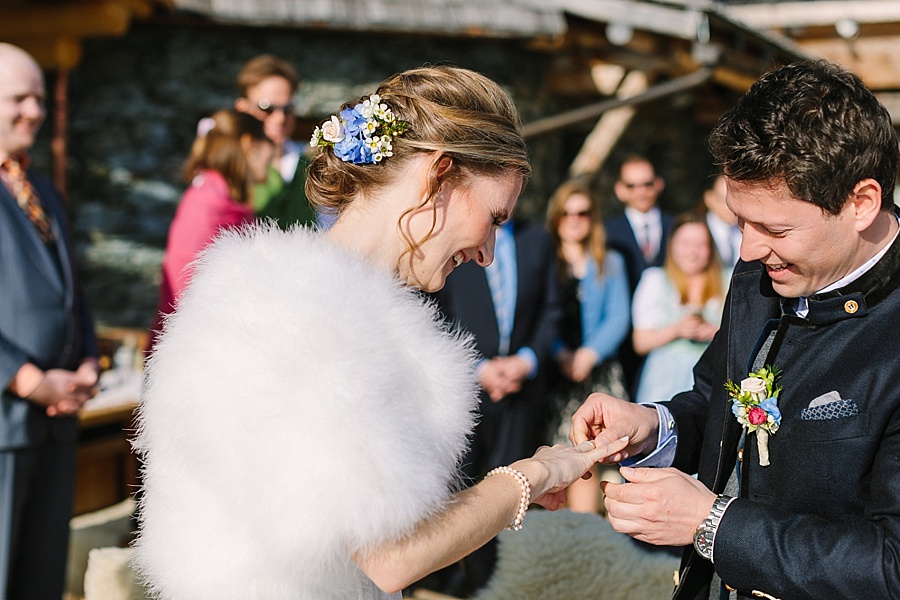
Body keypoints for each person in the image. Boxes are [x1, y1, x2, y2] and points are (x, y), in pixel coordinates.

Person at [133, 65, 629, 600]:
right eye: (494, 217)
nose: (487, 254)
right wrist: (534, 474)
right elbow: (391, 556)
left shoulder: (329, 305)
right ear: (438, 175)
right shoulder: (297, 313)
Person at [570, 59, 900, 600]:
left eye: (774, 227)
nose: (747, 251)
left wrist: (714, 525)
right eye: (738, 220)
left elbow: (890, 565)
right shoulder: (760, 273)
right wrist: (655, 427)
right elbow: (716, 401)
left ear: (861, 203)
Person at [0, 43, 101, 599]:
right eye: (19, 98)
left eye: (39, 98)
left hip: (56, 422)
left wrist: (87, 358)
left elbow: (72, 291)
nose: (35, 111)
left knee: (40, 582)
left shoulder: (39, 189)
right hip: (4, 421)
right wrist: (29, 380)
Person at [429, 212, 562, 592]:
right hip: (467, 385)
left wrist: (526, 361)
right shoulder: (457, 240)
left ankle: (497, 576)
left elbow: (552, 309)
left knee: (511, 485)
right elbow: (437, 311)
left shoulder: (537, 239)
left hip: (522, 388)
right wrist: (479, 367)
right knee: (462, 484)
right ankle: (454, 577)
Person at [146, 109, 272, 354]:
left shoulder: (223, 199)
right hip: (190, 353)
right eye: (269, 142)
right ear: (249, 144)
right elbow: (187, 289)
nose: (274, 152)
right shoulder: (209, 205)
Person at [544, 180, 631, 513]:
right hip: (555, 374)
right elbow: (537, 314)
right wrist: (560, 353)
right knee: (556, 457)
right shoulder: (545, 261)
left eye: (582, 212)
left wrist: (588, 354)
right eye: (566, 213)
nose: (574, 219)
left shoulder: (609, 262)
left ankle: (585, 536)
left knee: (592, 458)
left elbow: (618, 317)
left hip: (597, 374)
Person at [631, 212, 724, 405]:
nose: (693, 252)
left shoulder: (728, 280)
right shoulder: (655, 280)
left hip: (714, 378)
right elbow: (640, 343)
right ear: (672, 246)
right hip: (664, 382)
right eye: (685, 244)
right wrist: (677, 330)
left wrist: (716, 333)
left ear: (710, 248)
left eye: (700, 245)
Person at [604, 155, 674, 398]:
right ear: (620, 190)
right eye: (632, 186)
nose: (640, 192)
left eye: (647, 184)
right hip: (621, 344)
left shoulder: (676, 227)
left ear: (658, 184)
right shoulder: (606, 233)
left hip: (666, 341)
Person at [234, 54, 324, 229]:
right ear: (242, 109)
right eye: (267, 108)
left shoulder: (309, 161)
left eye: (287, 109)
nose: (280, 118)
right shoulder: (225, 166)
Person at [702, 172, 742, 269]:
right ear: (709, 198)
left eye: (738, 200)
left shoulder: (747, 231)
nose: (732, 207)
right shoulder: (697, 230)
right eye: (725, 200)